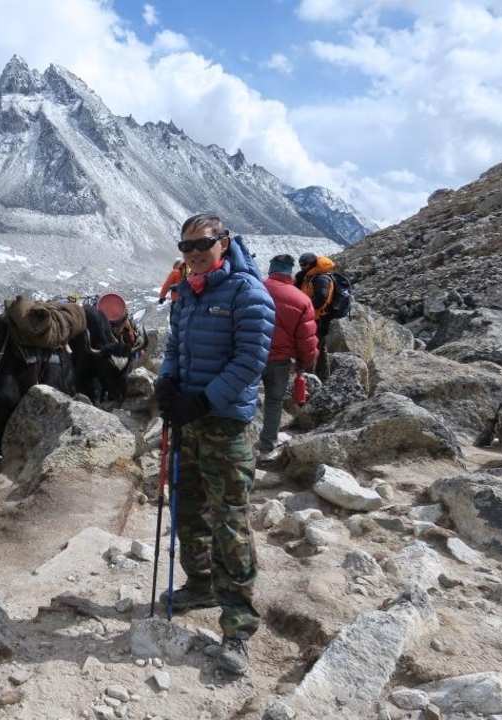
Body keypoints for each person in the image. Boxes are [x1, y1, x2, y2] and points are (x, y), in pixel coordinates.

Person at [153, 213, 275, 676]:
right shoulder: (186, 290)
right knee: (188, 508)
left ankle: (238, 626)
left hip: (223, 423)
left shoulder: (248, 292)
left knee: (230, 522)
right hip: (189, 420)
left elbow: (250, 361)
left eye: (202, 243)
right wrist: (166, 384)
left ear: (223, 242)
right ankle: (200, 584)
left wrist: (203, 400)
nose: (194, 253)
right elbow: (174, 348)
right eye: (186, 247)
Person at [259, 254, 318, 461]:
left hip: (250, 355)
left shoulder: (254, 288)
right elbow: (307, 339)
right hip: (280, 360)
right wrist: (304, 363)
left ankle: (236, 445)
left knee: (242, 398)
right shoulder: (301, 300)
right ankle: (267, 447)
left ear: (271, 269)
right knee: (273, 402)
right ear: (290, 273)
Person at [294, 253, 337, 381]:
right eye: (301, 264)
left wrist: (304, 306)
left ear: (312, 264)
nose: (302, 267)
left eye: (305, 265)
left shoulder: (321, 279)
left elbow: (320, 301)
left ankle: (309, 378)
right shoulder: (311, 276)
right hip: (316, 317)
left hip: (320, 319)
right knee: (320, 347)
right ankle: (323, 377)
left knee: (313, 348)